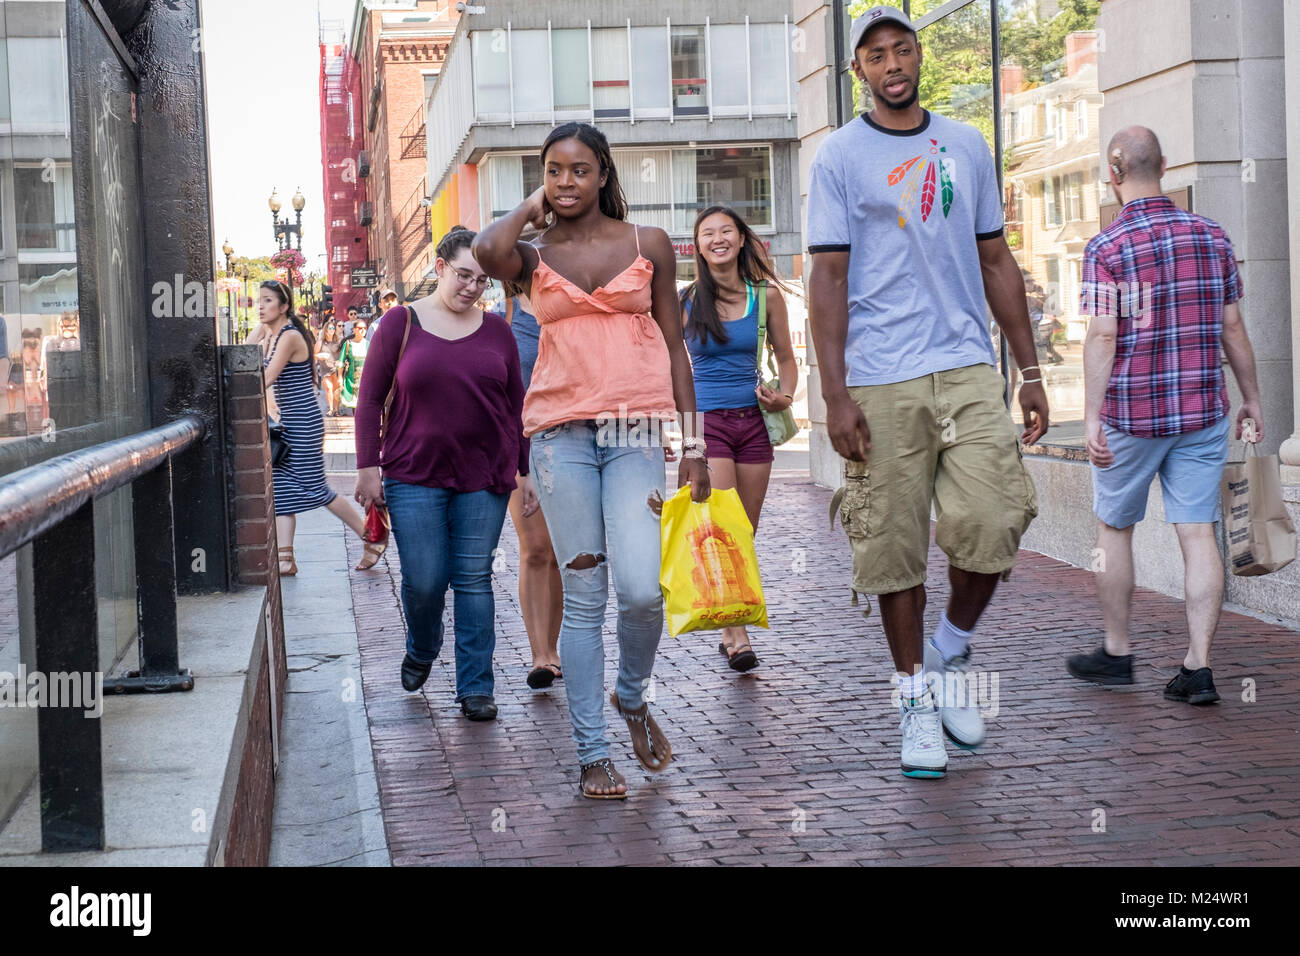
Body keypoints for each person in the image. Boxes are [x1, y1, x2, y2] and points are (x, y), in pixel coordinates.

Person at [806, 6, 1049, 779]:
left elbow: (997, 259)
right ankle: (914, 702)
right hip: (881, 375)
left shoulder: (967, 143)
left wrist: (1031, 370)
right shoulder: (840, 156)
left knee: (997, 517)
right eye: (874, 55)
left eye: (901, 49)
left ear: (917, 58)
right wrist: (835, 395)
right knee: (893, 547)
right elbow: (829, 278)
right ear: (860, 73)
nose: (891, 63)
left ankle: (946, 651)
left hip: (967, 365)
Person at [473, 121, 710, 799]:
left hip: (635, 434)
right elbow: (488, 250)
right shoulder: (532, 253)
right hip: (558, 439)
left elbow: (674, 349)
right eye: (553, 171)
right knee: (584, 594)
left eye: (579, 170)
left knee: (641, 588)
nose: (566, 182)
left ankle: (631, 696)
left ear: (604, 174)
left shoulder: (649, 244)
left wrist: (693, 446)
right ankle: (591, 754)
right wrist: (527, 208)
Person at [1065, 126, 1263, 705]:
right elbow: (1232, 327)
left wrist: (1093, 414)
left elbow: (1103, 336)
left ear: (1113, 173)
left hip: (1132, 414)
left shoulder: (1109, 248)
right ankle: (1198, 668)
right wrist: (1251, 397)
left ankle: (1118, 652)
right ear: (1166, 165)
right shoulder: (1212, 236)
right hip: (1202, 413)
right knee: (1198, 532)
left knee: (1114, 528)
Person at [353, 227, 532, 723]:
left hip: (485, 474)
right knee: (426, 579)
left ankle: (476, 686)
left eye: (482, 280)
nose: (473, 287)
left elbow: (516, 406)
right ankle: (423, 644)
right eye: (463, 275)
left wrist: (526, 469)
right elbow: (368, 401)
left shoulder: (498, 332)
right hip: (413, 473)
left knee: (474, 579)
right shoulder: (399, 324)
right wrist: (369, 468)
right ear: (438, 268)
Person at [680, 205, 798, 672]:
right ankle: (736, 634)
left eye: (726, 230)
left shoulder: (765, 297)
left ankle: (733, 620)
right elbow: (674, 369)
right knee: (724, 529)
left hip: (754, 423)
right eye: (707, 233)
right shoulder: (686, 301)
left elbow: (787, 360)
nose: (717, 238)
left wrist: (784, 395)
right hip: (709, 426)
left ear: (742, 239)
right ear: (698, 246)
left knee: (745, 532)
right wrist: (688, 441)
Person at [248, 279, 381, 576]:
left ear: (284, 307)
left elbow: (264, 378)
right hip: (289, 422)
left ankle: (371, 537)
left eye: (268, 300)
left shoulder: (290, 336)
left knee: (316, 489)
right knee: (281, 489)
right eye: (259, 300)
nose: (261, 305)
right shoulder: (274, 334)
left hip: (303, 422)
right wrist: (259, 330)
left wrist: (261, 334)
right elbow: (242, 356)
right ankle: (285, 559)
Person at [500, 277, 564, 690]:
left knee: (559, 553)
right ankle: (539, 652)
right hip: (522, 444)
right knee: (535, 548)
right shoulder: (504, 319)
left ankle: (553, 649)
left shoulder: (568, 312)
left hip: (570, 443)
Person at [338, 317, 368, 415]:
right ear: (354, 329)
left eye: (365, 328)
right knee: (356, 409)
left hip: (366, 382)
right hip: (352, 381)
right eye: (360, 328)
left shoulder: (369, 344)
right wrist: (339, 378)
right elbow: (340, 362)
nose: (363, 330)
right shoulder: (348, 344)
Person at [315, 318, 343, 416]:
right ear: (325, 330)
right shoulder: (320, 342)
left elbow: (342, 355)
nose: (331, 330)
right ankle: (331, 409)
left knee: (336, 389)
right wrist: (320, 356)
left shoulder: (338, 342)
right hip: (325, 369)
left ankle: (336, 409)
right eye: (329, 328)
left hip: (335, 369)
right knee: (329, 388)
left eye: (333, 328)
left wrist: (340, 364)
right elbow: (314, 355)